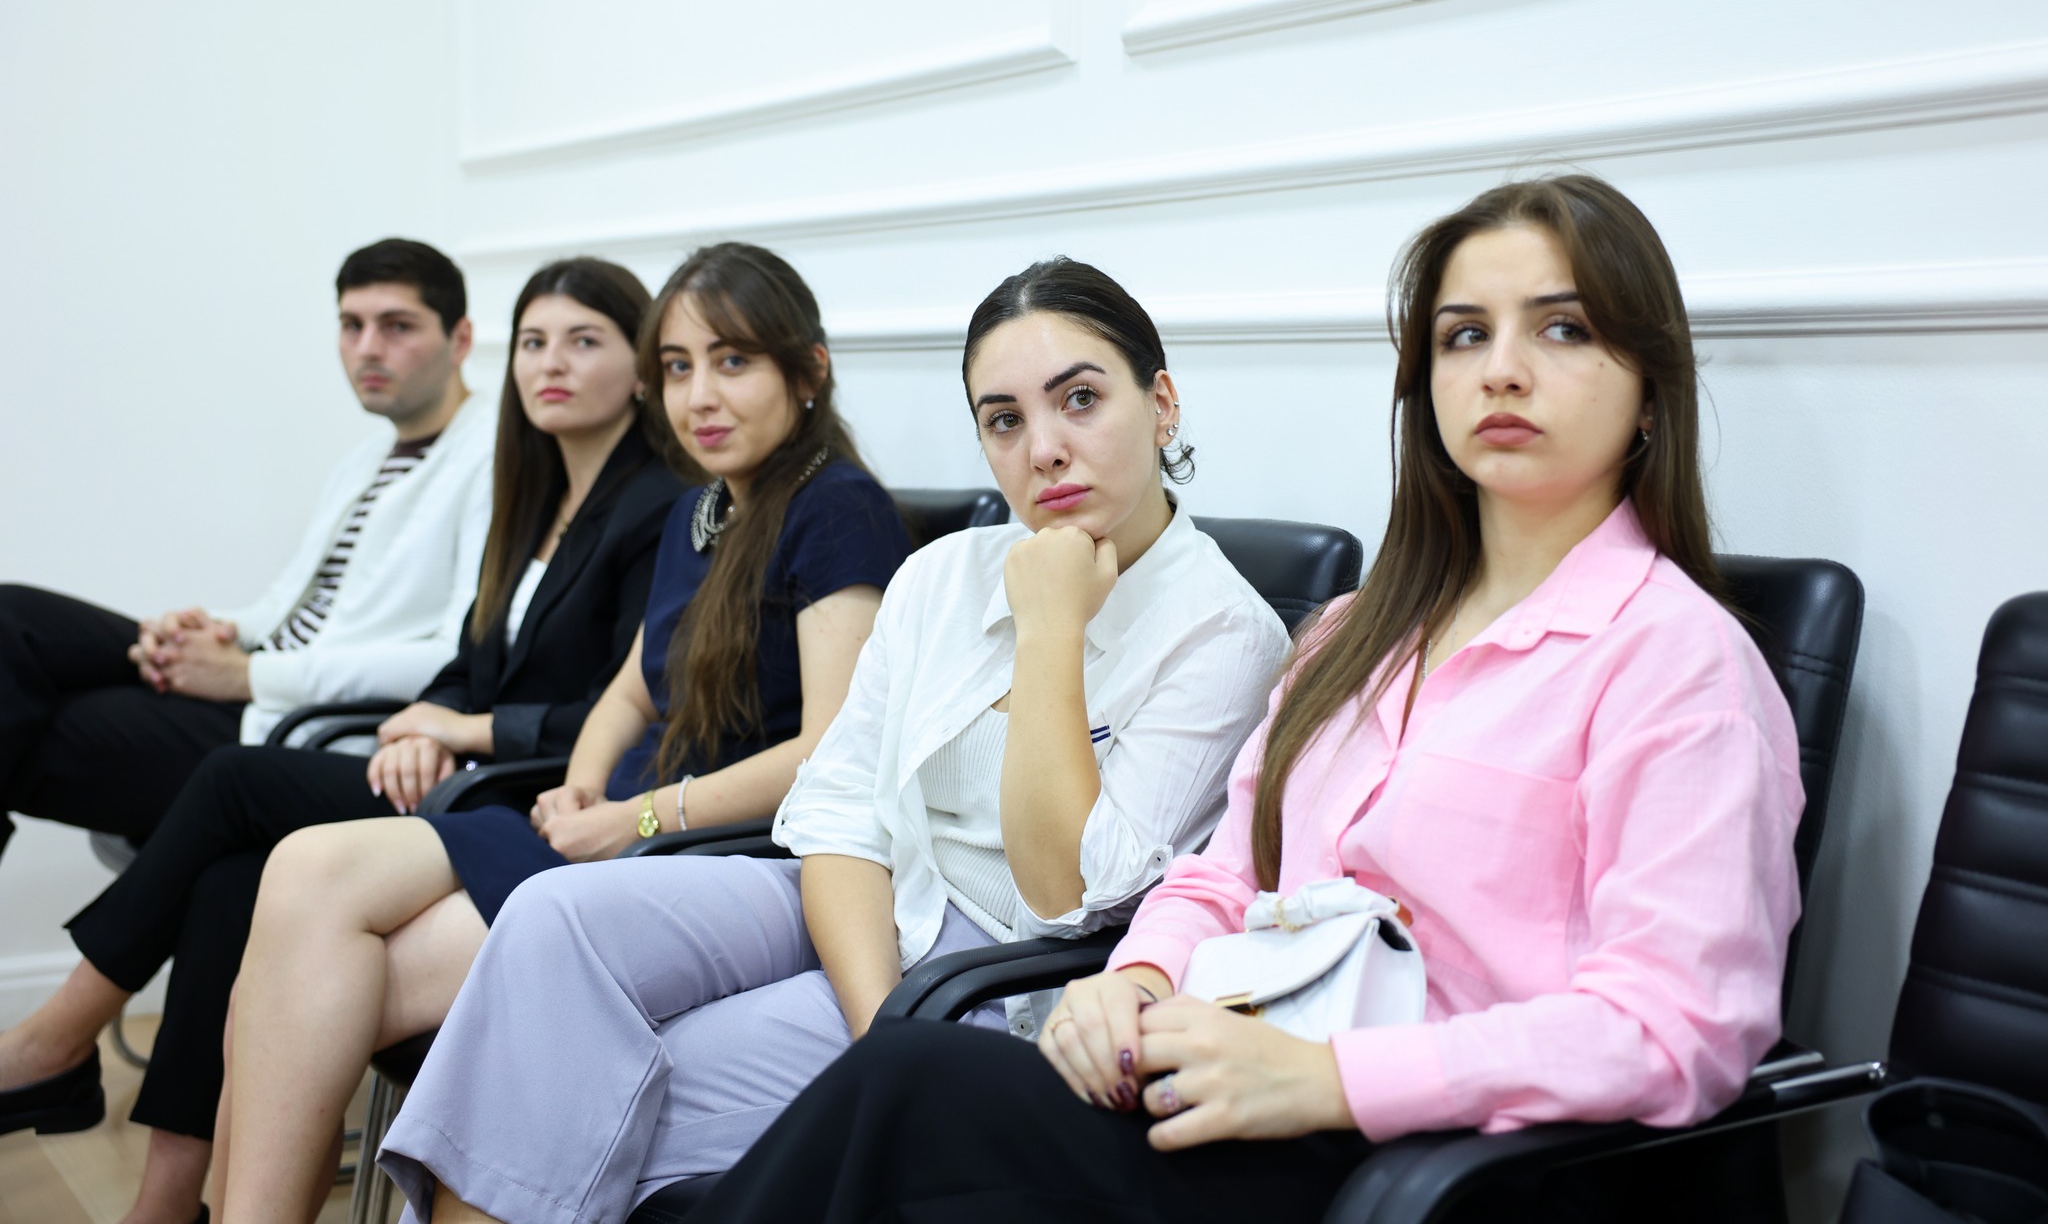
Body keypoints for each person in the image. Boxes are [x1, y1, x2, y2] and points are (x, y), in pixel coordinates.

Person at [686, 175, 1807, 1224]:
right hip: (1227, 1085)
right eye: (1464, 335)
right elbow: (1227, 875)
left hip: (1435, 1164)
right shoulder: (1354, 636)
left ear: (1649, 390)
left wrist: (1333, 1079)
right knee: (904, 1093)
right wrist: (1133, 978)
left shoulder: (1678, 661)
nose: (1501, 370)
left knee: (908, 1088)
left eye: (1561, 330)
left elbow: (1677, 1027)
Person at [369, 255, 1292, 1224]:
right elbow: (842, 806)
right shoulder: (943, 574)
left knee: (605, 1082)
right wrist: (876, 1028)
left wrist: (1050, 631)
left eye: (1080, 400)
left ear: (1161, 406)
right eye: (1004, 420)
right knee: (551, 917)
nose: (1046, 450)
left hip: (996, 978)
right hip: (860, 908)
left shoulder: (1224, 635)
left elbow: (1063, 893)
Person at [212, 241, 913, 1222]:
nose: (699, 396)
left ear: (809, 371)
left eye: (733, 362)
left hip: (715, 853)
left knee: (311, 982)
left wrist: (636, 818)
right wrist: (583, 786)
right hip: (614, 830)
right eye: (677, 366)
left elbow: (829, 757)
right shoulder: (703, 509)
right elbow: (629, 691)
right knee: (301, 872)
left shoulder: (837, 508)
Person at [0, 257, 679, 1224]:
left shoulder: (655, 507)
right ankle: (167, 1203)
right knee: (230, 879)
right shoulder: (540, 497)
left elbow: (631, 705)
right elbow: (471, 655)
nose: (550, 364)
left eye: (583, 342)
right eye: (534, 342)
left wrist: (455, 727)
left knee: (231, 782)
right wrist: (422, 721)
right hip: (448, 763)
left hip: (516, 790)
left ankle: (57, 1041)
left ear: (641, 368)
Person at [0, 238, 495, 863]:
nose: (369, 348)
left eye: (397, 326)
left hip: (289, 719)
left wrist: (246, 676)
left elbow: (456, 656)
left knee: (38, 728)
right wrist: (210, 631)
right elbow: (289, 604)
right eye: (352, 325)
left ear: (460, 339)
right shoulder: (366, 459)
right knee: (11, 619)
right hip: (258, 673)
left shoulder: (492, 456)